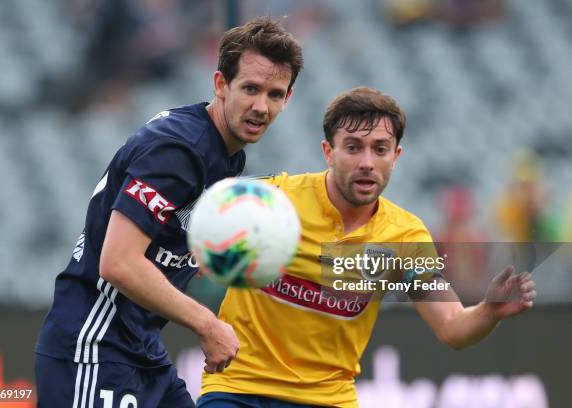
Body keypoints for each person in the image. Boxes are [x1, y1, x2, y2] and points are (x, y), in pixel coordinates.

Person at [199, 87, 536, 408]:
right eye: (353, 147)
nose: (367, 162)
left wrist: (489, 311)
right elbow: (197, 230)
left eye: (379, 149)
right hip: (238, 387)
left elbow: (451, 325)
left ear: (396, 156)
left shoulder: (404, 237)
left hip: (327, 399)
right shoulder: (273, 199)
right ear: (328, 152)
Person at [35, 16, 303, 408]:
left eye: (275, 94)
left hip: (140, 350)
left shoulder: (224, 153)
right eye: (250, 89)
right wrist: (208, 324)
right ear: (220, 85)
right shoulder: (179, 150)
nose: (261, 106)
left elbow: (166, 240)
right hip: (94, 345)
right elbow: (118, 263)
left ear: (288, 99)